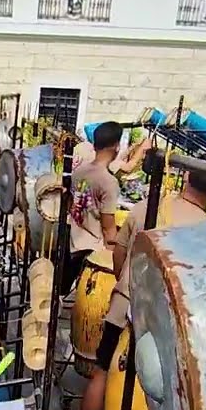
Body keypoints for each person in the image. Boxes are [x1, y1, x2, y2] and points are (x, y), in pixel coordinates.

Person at [65, 165, 206, 410]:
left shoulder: (147, 208)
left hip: (125, 302)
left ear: (187, 176)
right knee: (163, 387)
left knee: (102, 371)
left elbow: (119, 253)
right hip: (167, 319)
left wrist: (124, 285)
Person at [65, 121, 123, 294]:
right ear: (116, 146)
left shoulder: (79, 171)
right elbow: (108, 226)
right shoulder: (109, 182)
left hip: (74, 240)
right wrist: (113, 256)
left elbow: (69, 202)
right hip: (92, 249)